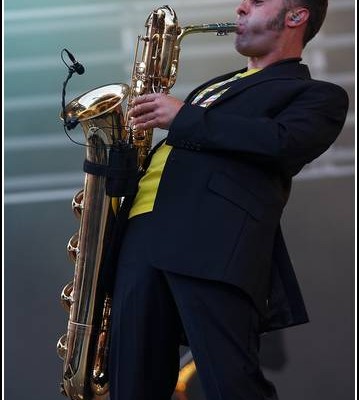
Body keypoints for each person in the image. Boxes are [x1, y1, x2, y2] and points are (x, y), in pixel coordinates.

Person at [108, 0, 349, 399]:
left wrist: (183, 117)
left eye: (256, 2)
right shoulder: (215, 87)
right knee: (131, 385)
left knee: (231, 385)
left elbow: (282, 143)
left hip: (211, 243)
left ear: (295, 16)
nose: (239, 8)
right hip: (142, 235)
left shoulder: (317, 95)